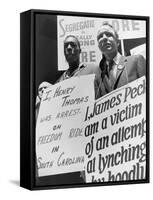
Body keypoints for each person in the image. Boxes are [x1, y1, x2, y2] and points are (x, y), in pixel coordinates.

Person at [96, 22, 146, 96]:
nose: (104, 38)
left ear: (117, 42)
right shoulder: (99, 75)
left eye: (109, 35)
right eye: (100, 36)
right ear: (99, 46)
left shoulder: (136, 60)